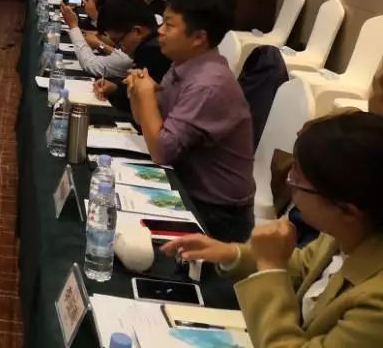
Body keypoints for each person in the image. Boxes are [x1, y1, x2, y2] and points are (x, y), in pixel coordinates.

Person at [162, 111, 383, 348]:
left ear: (348, 210)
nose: (289, 184)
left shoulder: (376, 304)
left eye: (297, 182)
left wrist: (269, 267)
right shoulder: (345, 233)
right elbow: (303, 267)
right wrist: (231, 253)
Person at [125, 0, 255, 242]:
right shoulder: (183, 64)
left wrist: (147, 94)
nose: (160, 31)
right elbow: (147, 125)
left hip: (217, 214)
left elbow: (161, 151)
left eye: (169, 25)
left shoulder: (208, 84)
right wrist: (137, 93)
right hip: (186, 185)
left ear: (198, 37)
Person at [92, 0, 171, 114]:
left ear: (137, 31)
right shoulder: (149, 44)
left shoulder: (152, 51)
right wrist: (115, 88)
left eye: (118, 42)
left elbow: (139, 98)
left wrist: (118, 91)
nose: (119, 48)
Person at [60, 0, 133, 80]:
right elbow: (121, 55)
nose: (119, 47)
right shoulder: (130, 41)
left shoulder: (131, 57)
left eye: (117, 41)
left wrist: (73, 26)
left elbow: (90, 64)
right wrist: (100, 45)